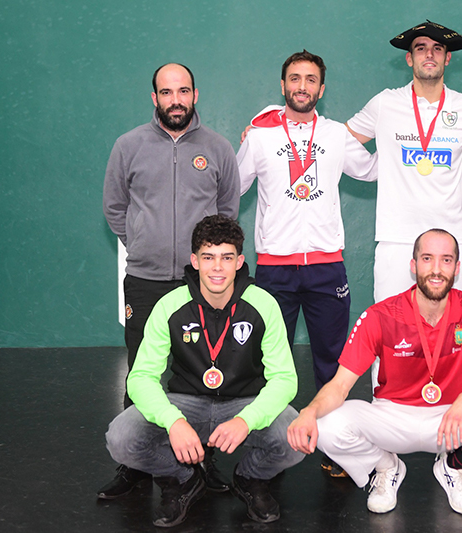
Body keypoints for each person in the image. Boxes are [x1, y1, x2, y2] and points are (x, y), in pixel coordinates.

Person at [287, 229, 462, 516]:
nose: (436, 269)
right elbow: (340, 385)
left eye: (446, 260)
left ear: (458, 269)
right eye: (427, 259)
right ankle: (386, 468)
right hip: (394, 417)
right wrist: (309, 411)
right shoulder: (379, 315)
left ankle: (455, 467)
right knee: (326, 422)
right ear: (413, 265)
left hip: (453, 419)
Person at [106, 215, 304, 526]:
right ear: (194, 261)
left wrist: (246, 419)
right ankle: (182, 480)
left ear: (239, 262)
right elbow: (141, 377)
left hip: (244, 402)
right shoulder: (169, 306)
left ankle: (250, 479)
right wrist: (173, 422)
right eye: (208, 257)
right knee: (121, 438)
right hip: (187, 402)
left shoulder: (263, 305)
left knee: (296, 437)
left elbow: (284, 379)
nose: (217, 267)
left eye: (226, 258)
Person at [100, 63, 240, 498]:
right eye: (166, 92)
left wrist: (204, 262)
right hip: (144, 278)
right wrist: (143, 242)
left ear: (195, 94)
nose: (175, 99)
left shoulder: (217, 148)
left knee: (201, 371)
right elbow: (114, 207)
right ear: (154, 98)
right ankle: (135, 463)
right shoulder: (129, 146)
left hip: (200, 284)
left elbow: (228, 211)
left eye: (183, 91)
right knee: (142, 369)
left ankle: (204, 460)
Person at [236, 50, 376, 392]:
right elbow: (231, 188)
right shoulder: (259, 136)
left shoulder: (335, 135)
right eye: (295, 79)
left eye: (311, 80)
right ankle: (271, 439)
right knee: (269, 360)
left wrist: (404, 140)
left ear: (322, 90)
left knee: (332, 360)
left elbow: (371, 170)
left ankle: (331, 438)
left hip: (326, 268)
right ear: (282, 86)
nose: (302, 86)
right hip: (274, 268)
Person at [345, 20, 462, 303]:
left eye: (437, 48)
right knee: (392, 332)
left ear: (448, 57)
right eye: (421, 48)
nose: (429, 55)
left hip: (456, 238)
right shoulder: (385, 103)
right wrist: (274, 122)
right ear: (409, 58)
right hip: (397, 239)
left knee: (452, 334)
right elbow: (335, 141)